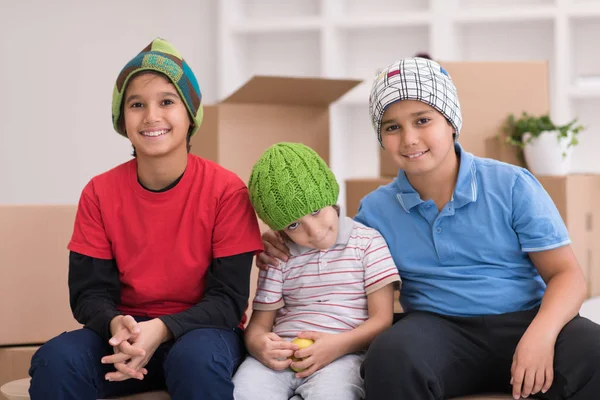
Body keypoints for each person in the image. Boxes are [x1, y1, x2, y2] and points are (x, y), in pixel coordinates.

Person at [257, 58, 600, 400]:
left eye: (423, 120)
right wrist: (283, 238)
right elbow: (330, 251)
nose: (409, 139)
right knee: (389, 357)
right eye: (392, 128)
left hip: (526, 320)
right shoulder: (375, 210)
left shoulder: (512, 185)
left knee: (595, 352)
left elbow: (567, 276)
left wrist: (540, 336)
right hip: (436, 329)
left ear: (451, 122)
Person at [28, 38, 263, 400]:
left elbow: (228, 301)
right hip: (126, 335)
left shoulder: (227, 191)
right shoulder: (99, 192)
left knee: (195, 361)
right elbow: (88, 293)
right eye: (137, 104)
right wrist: (114, 322)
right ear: (123, 119)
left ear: (190, 115)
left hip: (202, 334)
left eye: (167, 102)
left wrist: (164, 328)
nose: (152, 116)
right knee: (57, 360)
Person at [232, 143, 400, 399]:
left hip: (343, 355)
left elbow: (382, 320)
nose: (314, 230)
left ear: (330, 196)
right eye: (294, 224)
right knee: (242, 392)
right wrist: (258, 345)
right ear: (280, 230)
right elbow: (258, 327)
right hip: (281, 355)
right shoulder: (280, 254)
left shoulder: (367, 243)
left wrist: (337, 346)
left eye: (315, 211)